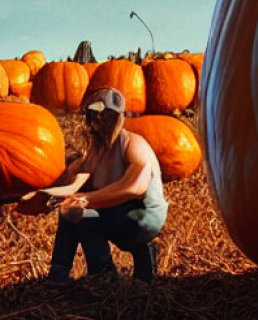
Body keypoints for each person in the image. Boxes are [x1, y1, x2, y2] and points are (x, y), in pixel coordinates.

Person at [17, 87, 168, 283]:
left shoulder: (133, 144)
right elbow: (74, 181)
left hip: (142, 214)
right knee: (70, 212)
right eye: (96, 117)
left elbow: (134, 187)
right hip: (118, 211)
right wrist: (45, 194)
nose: (100, 123)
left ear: (118, 118)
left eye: (107, 117)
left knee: (84, 218)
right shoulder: (97, 152)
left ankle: (102, 272)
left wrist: (86, 200)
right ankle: (60, 274)